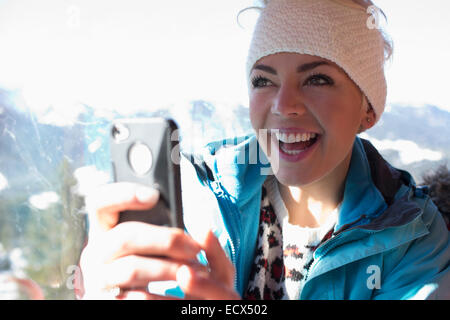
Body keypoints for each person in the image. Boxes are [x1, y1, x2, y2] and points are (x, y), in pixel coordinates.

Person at [78, 0, 450, 300]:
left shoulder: (413, 234)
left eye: (317, 79)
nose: (283, 104)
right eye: (263, 80)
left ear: (367, 109)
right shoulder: (196, 199)